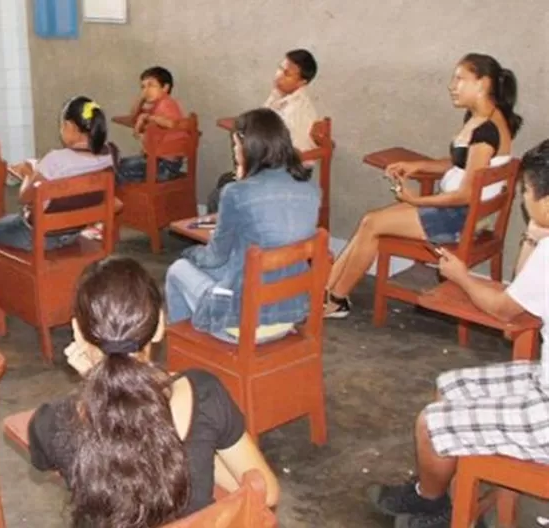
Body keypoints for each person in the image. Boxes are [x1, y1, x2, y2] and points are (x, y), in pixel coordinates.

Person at [365, 139, 549, 528]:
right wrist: (534, 234)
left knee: (430, 423)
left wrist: (460, 276)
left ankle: (433, 506)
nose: (522, 200)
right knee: (449, 386)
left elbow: (504, 306)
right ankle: (439, 492)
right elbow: (521, 289)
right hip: (542, 382)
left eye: (526, 193)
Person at [28, 257, 280, 527]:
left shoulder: (54, 423)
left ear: (77, 331)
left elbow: (71, 467)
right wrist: (199, 451)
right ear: (160, 324)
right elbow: (266, 492)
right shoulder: (204, 395)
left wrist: (95, 381)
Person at [325, 53, 522, 319]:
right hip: (460, 213)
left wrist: (416, 201)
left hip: (459, 219)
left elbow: (465, 194)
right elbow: (461, 164)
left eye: (460, 79)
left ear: (482, 84)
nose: (452, 86)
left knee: (372, 224)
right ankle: (325, 290)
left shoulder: (486, 131)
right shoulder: (481, 119)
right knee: (369, 221)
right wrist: (417, 166)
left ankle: (335, 299)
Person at [165, 108, 320, 342]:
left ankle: (185, 348)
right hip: (290, 315)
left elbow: (215, 257)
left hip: (244, 325)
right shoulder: (311, 191)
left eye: (236, 146)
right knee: (228, 268)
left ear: (250, 149)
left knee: (178, 269)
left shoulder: (237, 192)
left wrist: (190, 253)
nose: (234, 152)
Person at [0, 95, 113, 313]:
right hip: (77, 231)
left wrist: (29, 173)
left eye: (62, 125)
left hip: (40, 236)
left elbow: (25, 198)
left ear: (71, 127)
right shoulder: (109, 154)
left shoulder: (56, 159)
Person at [207, 49, 319, 214]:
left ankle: (232, 235)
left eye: (286, 73)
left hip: (289, 171)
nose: (279, 75)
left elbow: (281, 149)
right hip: (273, 162)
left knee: (221, 194)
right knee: (225, 180)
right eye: (280, 68)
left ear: (302, 82)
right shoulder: (278, 96)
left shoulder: (297, 110)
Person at [115, 66, 186, 185]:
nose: (146, 90)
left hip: (164, 167)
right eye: (143, 87)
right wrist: (141, 98)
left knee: (117, 171)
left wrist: (146, 117)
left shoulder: (167, 104)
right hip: (158, 162)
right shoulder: (157, 105)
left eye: (151, 85)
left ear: (165, 88)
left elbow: (171, 123)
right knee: (117, 164)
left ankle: (130, 201)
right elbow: (133, 116)